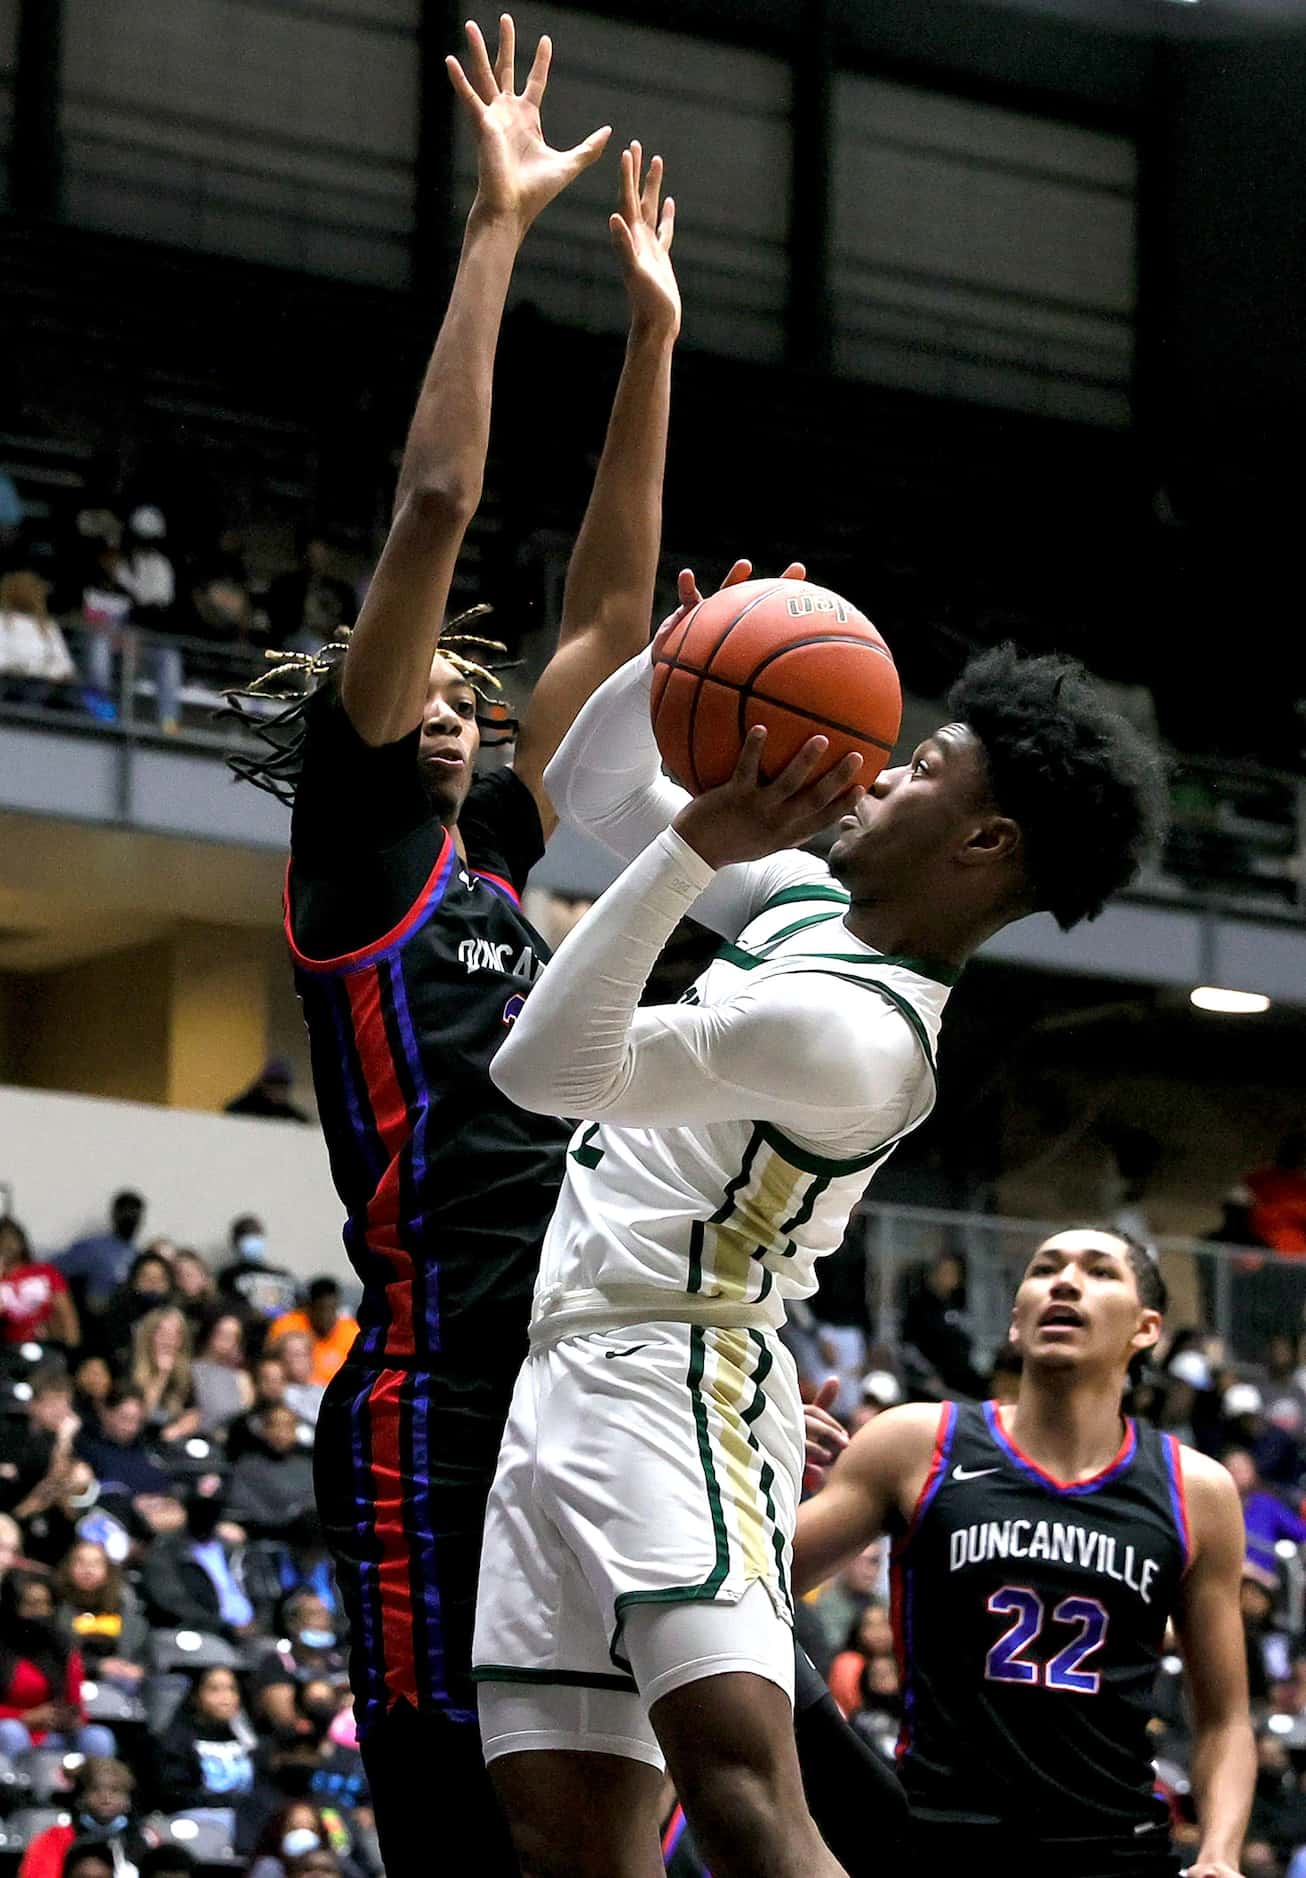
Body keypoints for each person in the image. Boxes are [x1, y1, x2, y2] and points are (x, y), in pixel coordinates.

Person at [471, 569, 1167, 1874]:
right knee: (562, 1842)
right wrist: (677, 655)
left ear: (981, 843)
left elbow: (540, 1069)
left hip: (673, 1378)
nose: (881, 770)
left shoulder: (857, 1033)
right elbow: (601, 784)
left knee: (744, 1802)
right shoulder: (799, 906)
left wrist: (693, 850)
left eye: (924, 770)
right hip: (560, 1373)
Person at [226, 20, 684, 1872]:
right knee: (449, 1821)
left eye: (470, 697)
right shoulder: (355, 851)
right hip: (437, 1389)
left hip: (585, 1379)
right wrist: (499, 230)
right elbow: (439, 505)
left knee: (606, 1822)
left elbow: (606, 606)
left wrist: (652, 334)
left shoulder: (499, 870)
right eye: (425, 682)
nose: (456, 702)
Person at [792, 1229, 1254, 1876]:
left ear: (1145, 1329)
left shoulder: (1197, 1491)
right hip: (936, 1840)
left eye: (1098, 1271)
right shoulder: (917, 1441)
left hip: (1112, 1848)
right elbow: (757, 1583)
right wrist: (758, 1469)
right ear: (1017, 1320)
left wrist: (1220, 1854)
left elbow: (1225, 1719)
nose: (1064, 1281)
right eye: (1045, 1269)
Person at [0, 1571, 115, 1759]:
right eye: (31, 1604)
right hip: (10, 1731)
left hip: (54, 1734)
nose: (40, 1612)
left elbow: (77, 1708)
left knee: (98, 1738)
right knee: (11, 1732)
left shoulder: (62, 1647)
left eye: (46, 1604)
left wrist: (68, 1719)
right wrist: (24, 1717)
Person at [141, 1490, 255, 1639]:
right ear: (187, 1511)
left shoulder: (233, 1549)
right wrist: (222, 1626)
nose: (205, 1516)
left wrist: (259, 1623)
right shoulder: (165, 1552)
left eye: (211, 1510)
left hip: (251, 1630)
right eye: (199, 1510)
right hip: (201, 1633)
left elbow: (260, 1591)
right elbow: (173, 1601)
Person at [16, 1756, 152, 1878]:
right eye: (95, 1789)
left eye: (115, 1790)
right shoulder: (54, 1839)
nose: (105, 1797)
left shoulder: (140, 1843)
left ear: (128, 1801)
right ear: (80, 1798)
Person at [155, 1665, 258, 1814]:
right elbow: (175, 1793)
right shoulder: (176, 1741)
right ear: (195, 1696)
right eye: (215, 1689)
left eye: (232, 1689)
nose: (225, 1698)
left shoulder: (250, 1739)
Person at [54, 1541, 149, 1694]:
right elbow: (56, 1656)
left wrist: (138, 1668)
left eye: (96, 1564)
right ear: (68, 1568)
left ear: (108, 1571)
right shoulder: (55, 1606)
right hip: (71, 1679)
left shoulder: (124, 1608)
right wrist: (98, 1665)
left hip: (122, 1676)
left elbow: (141, 1650)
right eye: (80, 1562)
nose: (88, 1570)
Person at [225, 1404, 316, 1538]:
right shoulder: (247, 1467)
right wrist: (283, 1520)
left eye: (288, 1427)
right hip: (261, 1539)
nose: (281, 1433)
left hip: (305, 1541)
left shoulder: (308, 1467)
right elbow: (245, 1507)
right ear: (264, 1430)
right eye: (275, 1426)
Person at [1223, 1448, 1306, 1582]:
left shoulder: (1265, 1504)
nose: (1239, 1474)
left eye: (1243, 1469)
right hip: (1231, 1577)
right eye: (1234, 1469)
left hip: (1268, 1585)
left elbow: (1300, 1533)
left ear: (1252, 1471)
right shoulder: (1219, 1509)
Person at [58, 1192, 145, 1316]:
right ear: (115, 1214)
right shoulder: (91, 1248)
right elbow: (57, 1270)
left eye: (135, 1214)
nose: (131, 1218)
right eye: (126, 1212)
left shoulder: (138, 1256)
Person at [0, 1215, 80, 1349]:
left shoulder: (46, 1273)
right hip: (8, 1351)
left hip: (46, 1348)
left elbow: (67, 1315)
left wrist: (72, 1351)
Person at [129, 1306, 202, 1445]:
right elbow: (140, 1418)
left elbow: (195, 1414)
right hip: (138, 1443)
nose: (168, 1341)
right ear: (149, 1336)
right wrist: (161, 1376)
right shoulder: (130, 1369)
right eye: (162, 1333)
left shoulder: (187, 1375)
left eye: (175, 1335)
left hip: (171, 1445)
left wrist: (179, 1429)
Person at [270, 1280, 358, 1387]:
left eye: (331, 1309)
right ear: (310, 1308)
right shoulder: (287, 1325)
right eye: (321, 1309)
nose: (326, 1316)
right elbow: (271, 1365)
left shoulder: (352, 1332)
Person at [217, 1216, 298, 1325]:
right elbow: (225, 1308)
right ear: (235, 1241)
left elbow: (296, 1305)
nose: (252, 1239)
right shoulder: (228, 1275)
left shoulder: (282, 1275)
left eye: (256, 1234)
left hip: (281, 1331)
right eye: (246, 1234)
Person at [191, 1311, 256, 1432]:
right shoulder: (192, 1369)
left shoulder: (242, 1378)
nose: (225, 1338)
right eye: (221, 1332)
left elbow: (245, 1413)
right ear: (211, 1334)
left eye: (232, 1335)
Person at [225, 1058, 312, 1124]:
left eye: (282, 1087)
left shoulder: (288, 1113)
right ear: (264, 1085)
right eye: (274, 1085)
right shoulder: (242, 1107)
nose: (278, 1091)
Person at [270, 1332, 325, 1427]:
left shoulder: (323, 1390)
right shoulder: (278, 1394)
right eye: (294, 1355)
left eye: (305, 1354)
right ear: (280, 1359)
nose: (300, 1360)